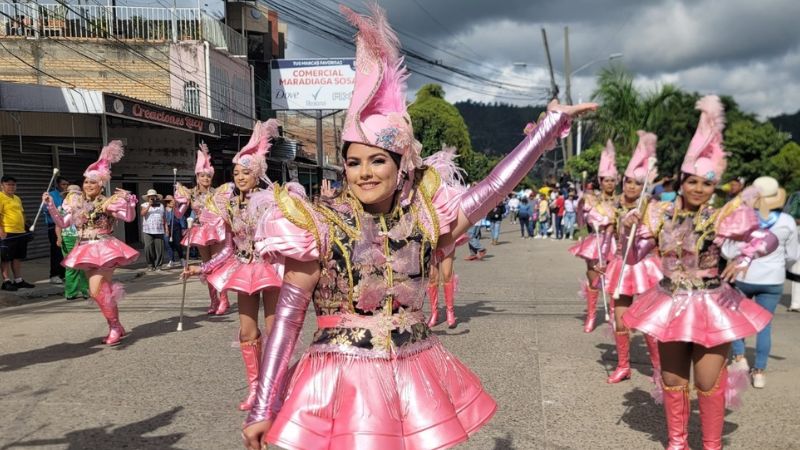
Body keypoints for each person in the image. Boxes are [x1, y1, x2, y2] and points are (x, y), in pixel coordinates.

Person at [241, 6, 596, 448]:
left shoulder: (425, 217)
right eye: (353, 162)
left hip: (414, 370)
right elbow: (288, 324)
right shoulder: (318, 223)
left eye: (377, 161)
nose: (364, 173)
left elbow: (493, 188)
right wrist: (262, 406)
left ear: (400, 165)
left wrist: (546, 129)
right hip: (341, 382)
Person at [622, 96, 778, 449]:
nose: (698, 189)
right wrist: (627, 228)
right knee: (673, 380)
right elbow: (632, 256)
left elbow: (765, 237)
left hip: (710, 304)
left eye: (706, 184)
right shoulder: (658, 213)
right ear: (681, 181)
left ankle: (711, 445)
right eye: (692, 182)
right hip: (669, 303)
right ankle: (677, 443)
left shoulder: (721, 216)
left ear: (713, 187)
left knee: (708, 383)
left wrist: (746, 257)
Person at [183, 120, 284, 411]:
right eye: (237, 172)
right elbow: (226, 248)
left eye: (246, 172)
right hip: (244, 268)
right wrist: (200, 269)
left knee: (275, 330)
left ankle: (274, 387)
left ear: (258, 173)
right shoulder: (228, 206)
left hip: (271, 268)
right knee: (246, 332)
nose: (240, 177)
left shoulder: (272, 202)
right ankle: (256, 388)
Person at [43, 141, 139, 346]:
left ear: (101, 185)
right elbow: (62, 222)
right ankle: (116, 325)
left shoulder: (108, 202)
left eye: (93, 182)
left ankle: (114, 326)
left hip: (104, 248)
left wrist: (130, 202)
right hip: (85, 248)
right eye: (86, 182)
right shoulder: (77, 203)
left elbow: (129, 218)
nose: (88, 185)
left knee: (96, 290)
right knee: (99, 292)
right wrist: (51, 206)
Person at [724, 177, 798, 388]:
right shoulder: (787, 222)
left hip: (743, 276)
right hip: (773, 279)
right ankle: (759, 372)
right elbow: (792, 254)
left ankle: (739, 357)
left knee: (737, 319)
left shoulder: (743, 219)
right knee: (764, 325)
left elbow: (728, 250)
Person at [602, 131, 664, 384]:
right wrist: (603, 257)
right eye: (628, 181)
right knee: (620, 319)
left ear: (644, 186)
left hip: (645, 267)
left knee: (649, 321)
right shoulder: (614, 206)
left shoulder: (654, 209)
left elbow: (656, 243)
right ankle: (623, 365)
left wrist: (639, 229)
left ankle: (659, 369)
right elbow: (607, 236)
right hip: (620, 266)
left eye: (637, 183)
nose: (630, 186)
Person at [174, 143, 230, 315]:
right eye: (202, 176)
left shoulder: (217, 193)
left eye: (208, 176)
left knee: (216, 264)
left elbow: (226, 211)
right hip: (200, 231)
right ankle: (213, 300)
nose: (206, 179)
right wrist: (178, 202)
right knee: (206, 265)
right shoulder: (190, 194)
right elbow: (178, 214)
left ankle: (224, 299)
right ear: (197, 177)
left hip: (216, 230)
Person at [568, 141, 618, 333]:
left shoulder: (621, 201)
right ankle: (591, 316)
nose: (609, 183)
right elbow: (586, 218)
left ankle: (613, 314)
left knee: (613, 280)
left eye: (612, 180)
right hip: (596, 242)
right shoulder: (591, 199)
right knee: (593, 278)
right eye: (606, 180)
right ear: (600, 181)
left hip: (614, 243)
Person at [54, 184, 89, 300]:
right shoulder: (61, 208)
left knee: (84, 265)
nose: (73, 196)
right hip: (67, 238)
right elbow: (58, 225)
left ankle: (86, 291)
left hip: (83, 238)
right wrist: (59, 237)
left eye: (76, 194)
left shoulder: (86, 208)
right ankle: (71, 292)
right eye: (71, 194)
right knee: (71, 266)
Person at [0, 175, 34, 291]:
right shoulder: (0, 197)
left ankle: (18, 280)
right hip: (7, 232)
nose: (11, 187)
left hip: (20, 232)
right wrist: (1, 230)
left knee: (18, 257)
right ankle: (6, 281)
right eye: (8, 184)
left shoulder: (17, 198)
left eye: (13, 184)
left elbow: (22, 213)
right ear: (2, 185)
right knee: (6, 258)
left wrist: (26, 227)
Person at [44, 176, 70, 284]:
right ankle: (54, 274)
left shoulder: (68, 195)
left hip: (67, 227)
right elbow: (46, 209)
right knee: (56, 251)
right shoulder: (51, 195)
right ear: (58, 185)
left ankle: (63, 274)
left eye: (67, 184)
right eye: (63, 184)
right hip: (54, 227)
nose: (65, 186)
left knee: (65, 251)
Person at [140, 189, 167, 271]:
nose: (152, 198)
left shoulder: (161, 206)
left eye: (153, 196)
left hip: (159, 230)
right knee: (148, 247)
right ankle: (150, 265)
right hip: (148, 230)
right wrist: (149, 205)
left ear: (156, 197)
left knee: (159, 248)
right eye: (150, 197)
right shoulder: (144, 205)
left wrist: (166, 228)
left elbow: (163, 217)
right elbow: (142, 214)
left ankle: (159, 265)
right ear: (148, 198)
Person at [163, 195, 186, 269]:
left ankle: (182, 258)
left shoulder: (176, 209)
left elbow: (181, 218)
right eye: (170, 201)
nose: (173, 203)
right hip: (166, 228)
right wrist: (166, 228)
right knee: (168, 244)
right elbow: (163, 220)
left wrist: (183, 228)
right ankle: (171, 260)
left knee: (177, 243)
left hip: (176, 228)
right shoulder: (163, 210)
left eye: (173, 201)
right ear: (167, 203)